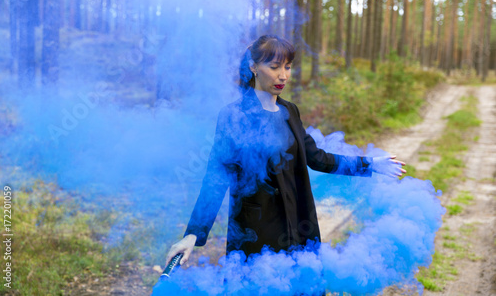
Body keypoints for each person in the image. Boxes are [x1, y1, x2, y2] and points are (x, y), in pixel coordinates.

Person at [165, 35, 406, 268]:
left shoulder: (290, 111)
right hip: (256, 234)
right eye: (274, 67)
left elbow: (318, 158)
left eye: (288, 67)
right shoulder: (234, 115)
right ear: (254, 67)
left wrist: (370, 164)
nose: (283, 76)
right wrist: (193, 235)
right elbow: (216, 178)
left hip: (300, 225)